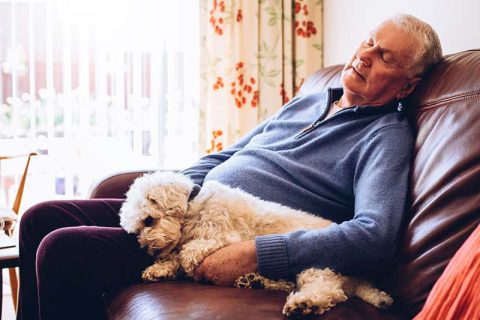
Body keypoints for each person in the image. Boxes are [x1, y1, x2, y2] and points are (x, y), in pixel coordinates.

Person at [18, 13, 442, 320]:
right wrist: (177, 191)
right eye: (369, 41)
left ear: (407, 83)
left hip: (224, 234)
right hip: (193, 210)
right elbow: (229, 155)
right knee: (41, 217)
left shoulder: (385, 137)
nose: (365, 55)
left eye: (385, 56)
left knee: (62, 249)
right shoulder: (316, 96)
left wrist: (257, 253)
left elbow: (374, 235)